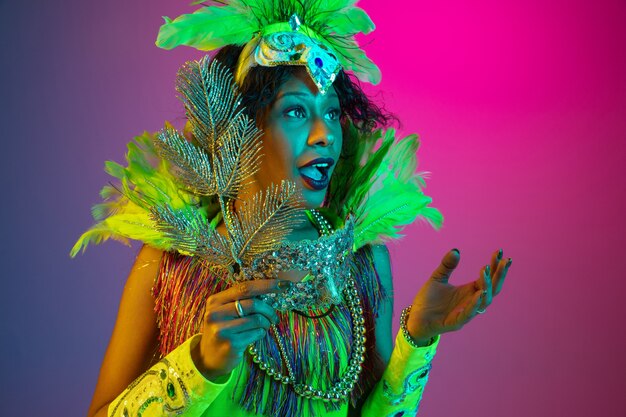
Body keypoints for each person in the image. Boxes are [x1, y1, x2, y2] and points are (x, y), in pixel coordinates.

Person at [72, 1, 513, 416]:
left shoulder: (363, 266)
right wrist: (199, 365)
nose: (326, 135)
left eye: (333, 112)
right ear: (239, 131)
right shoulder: (169, 267)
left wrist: (417, 338)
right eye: (297, 112)